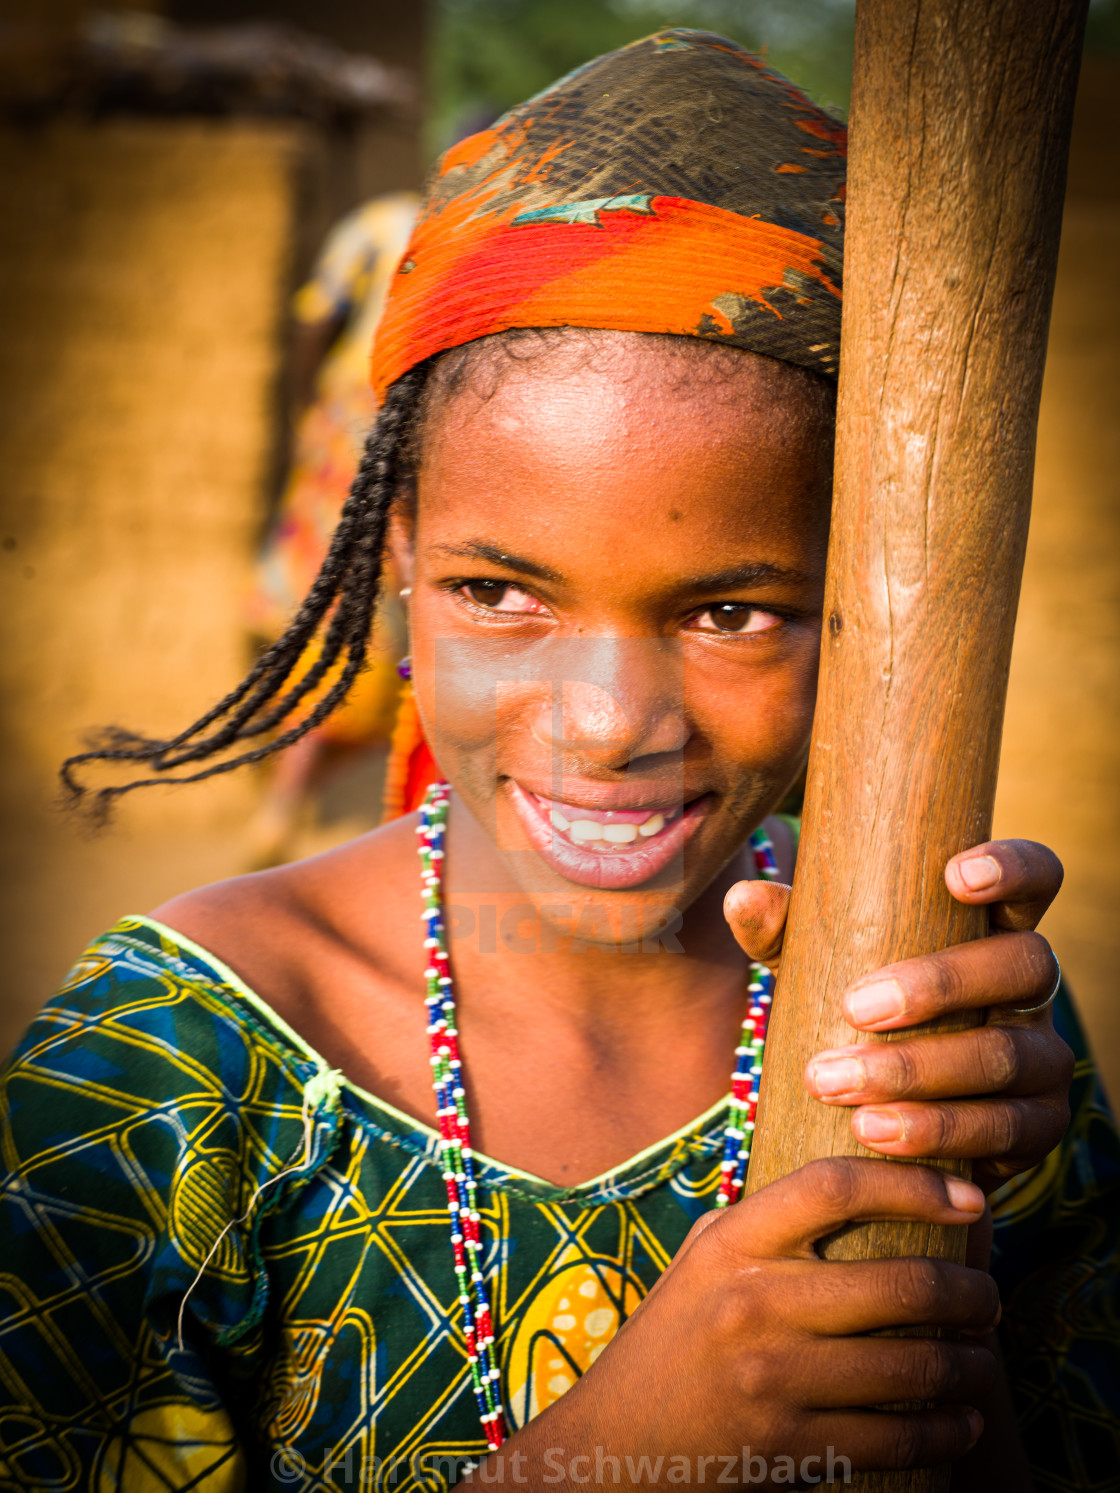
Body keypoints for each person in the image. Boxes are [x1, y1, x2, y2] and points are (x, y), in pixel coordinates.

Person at [4, 30, 1117, 1492]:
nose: (606, 720)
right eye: (498, 592)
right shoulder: (165, 1072)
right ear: (397, 561)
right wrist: (608, 1454)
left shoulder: (940, 1030)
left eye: (732, 610)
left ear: (863, 614)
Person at [245, 192, 418, 866]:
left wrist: (305, 408)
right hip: (401, 427)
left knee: (331, 618)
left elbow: (315, 318)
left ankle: (286, 797)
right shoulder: (470, 230)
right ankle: (288, 797)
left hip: (346, 424)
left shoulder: (378, 222)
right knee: (370, 638)